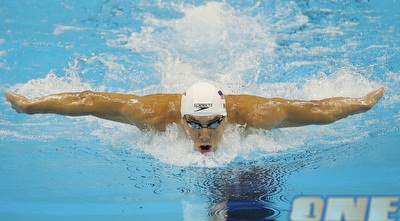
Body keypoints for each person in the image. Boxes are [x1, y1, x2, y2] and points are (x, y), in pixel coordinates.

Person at [5, 82, 384, 154]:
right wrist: (32, 106)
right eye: (195, 124)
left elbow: (316, 110)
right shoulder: (151, 114)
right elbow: (89, 100)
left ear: (226, 116)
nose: (205, 135)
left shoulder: (256, 115)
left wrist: (361, 104)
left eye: (214, 124)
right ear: (181, 117)